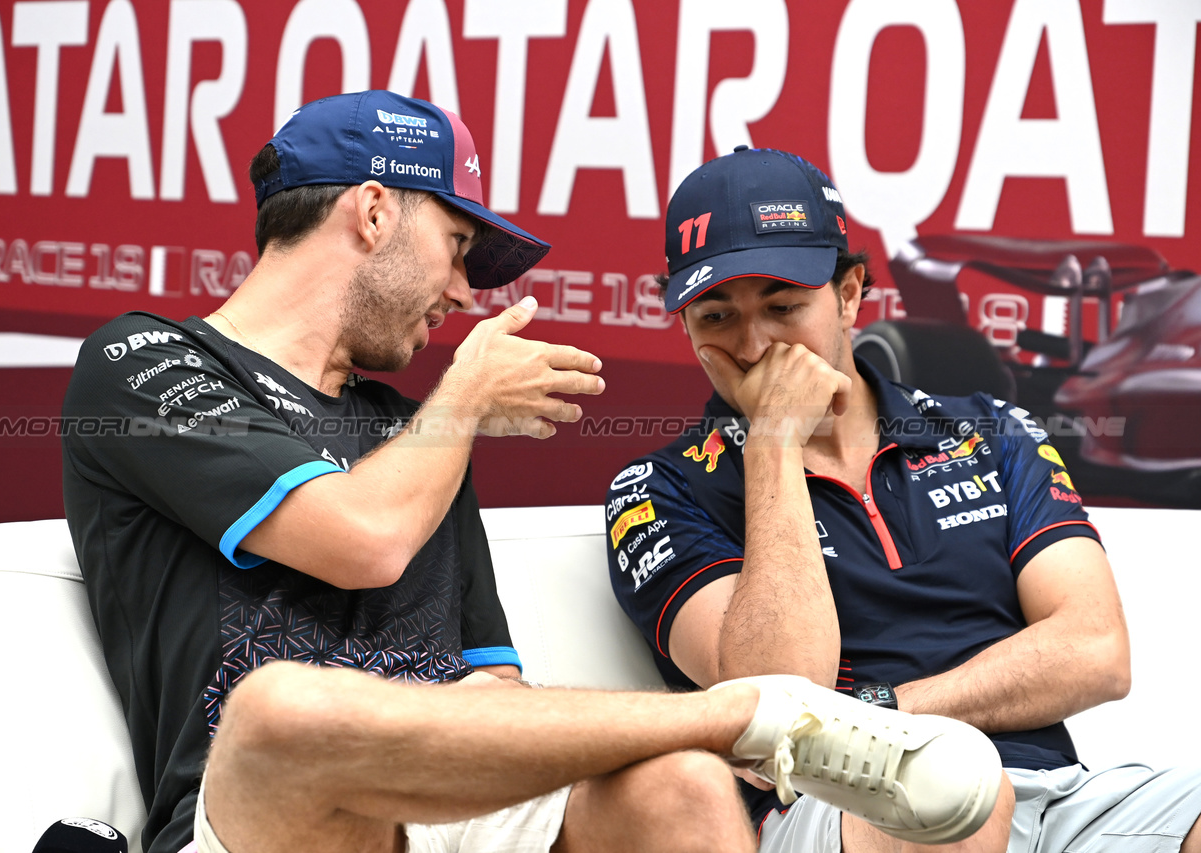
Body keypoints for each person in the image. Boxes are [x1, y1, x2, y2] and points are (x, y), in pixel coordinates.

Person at [62, 93, 998, 853]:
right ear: (375, 208)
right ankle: (747, 714)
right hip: (265, 813)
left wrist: (446, 420)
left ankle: (728, 728)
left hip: (445, 810)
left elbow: (489, 694)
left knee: (678, 786)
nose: (467, 294)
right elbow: (359, 541)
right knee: (277, 706)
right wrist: (464, 400)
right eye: (459, 246)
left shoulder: (406, 431)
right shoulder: (143, 360)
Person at [604, 144, 1201, 853]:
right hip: (843, 804)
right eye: (715, 316)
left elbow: (1096, 650)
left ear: (851, 293)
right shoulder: (657, 489)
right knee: (952, 793)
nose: (755, 344)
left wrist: (877, 710)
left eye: (784, 305)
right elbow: (781, 692)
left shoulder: (989, 428)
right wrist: (771, 444)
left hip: (1058, 795)